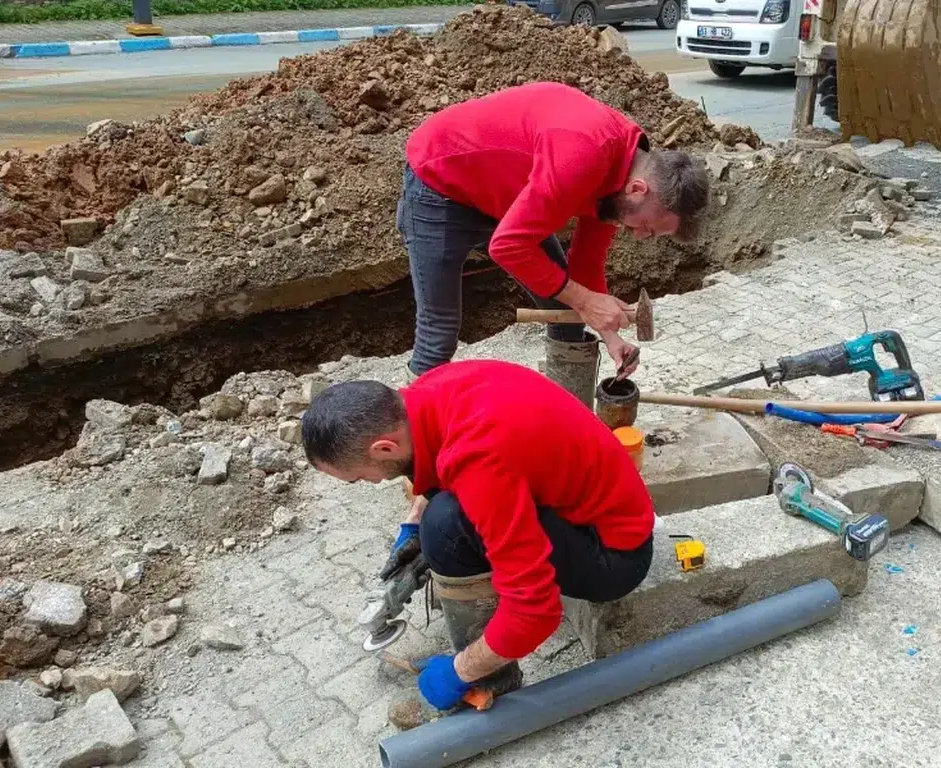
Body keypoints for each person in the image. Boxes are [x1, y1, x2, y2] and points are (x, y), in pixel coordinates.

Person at [300, 359, 656, 712]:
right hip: (590, 509)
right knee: (437, 516)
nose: (372, 483)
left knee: (445, 526)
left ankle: (491, 678)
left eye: (361, 477)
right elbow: (444, 454)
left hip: (613, 557)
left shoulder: (479, 460)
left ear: (384, 448)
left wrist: (458, 671)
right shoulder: (429, 393)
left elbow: (536, 612)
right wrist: (412, 525)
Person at [399, 80, 710, 380]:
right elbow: (507, 246)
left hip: (503, 194)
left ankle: (568, 416)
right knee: (439, 333)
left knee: (568, 311)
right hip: (439, 183)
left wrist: (610, 336)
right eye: (647, 227)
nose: (641, 235)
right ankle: (413, 422)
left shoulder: (619, 181)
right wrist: (587, 302)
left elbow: (586, 265)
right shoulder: (582, 156)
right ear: (638, 189)